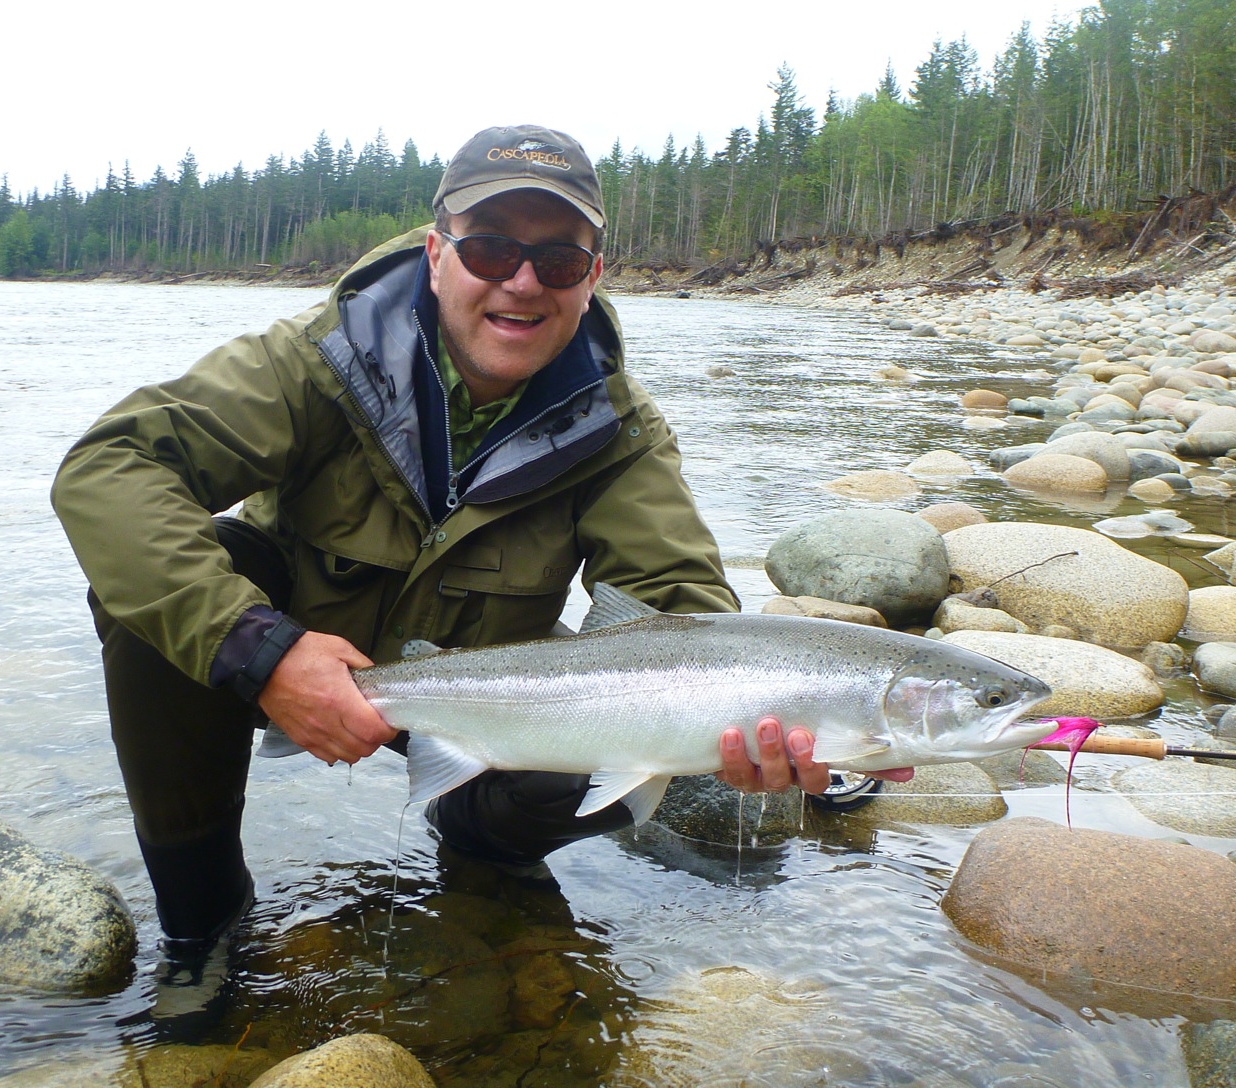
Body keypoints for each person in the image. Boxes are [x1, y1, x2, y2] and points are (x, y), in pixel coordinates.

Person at [51, 122, 907, 991]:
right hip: (291, 666)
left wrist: (748, 720)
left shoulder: (618, 431)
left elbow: (675, 603)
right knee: (149, 596)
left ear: (593, 277)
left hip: (489, 712)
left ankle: (484, 853)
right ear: (437, 254)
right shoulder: (315, 363)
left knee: (632, 695)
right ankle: (203, 922)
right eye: (492, 249)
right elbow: (111, 468)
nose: (523, 282)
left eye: (559, 260)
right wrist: (260, 651)